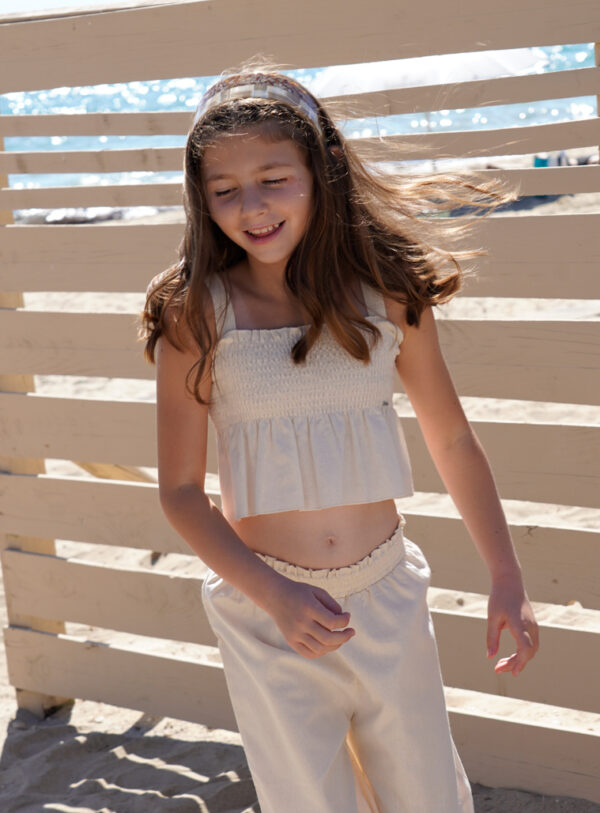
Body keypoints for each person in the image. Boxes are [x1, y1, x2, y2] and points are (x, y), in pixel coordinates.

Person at [139, 62, 539, 813]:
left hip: (387, 597)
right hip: (267, 616)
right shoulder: (196, 314)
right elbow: (181, 492)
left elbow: (453, 441)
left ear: (320, 171)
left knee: (427, 796)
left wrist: (506, 574)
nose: (252, 207)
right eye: (225, 190)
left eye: (273, 179)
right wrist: (274, 595)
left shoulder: (387, 292)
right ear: (201, 199)